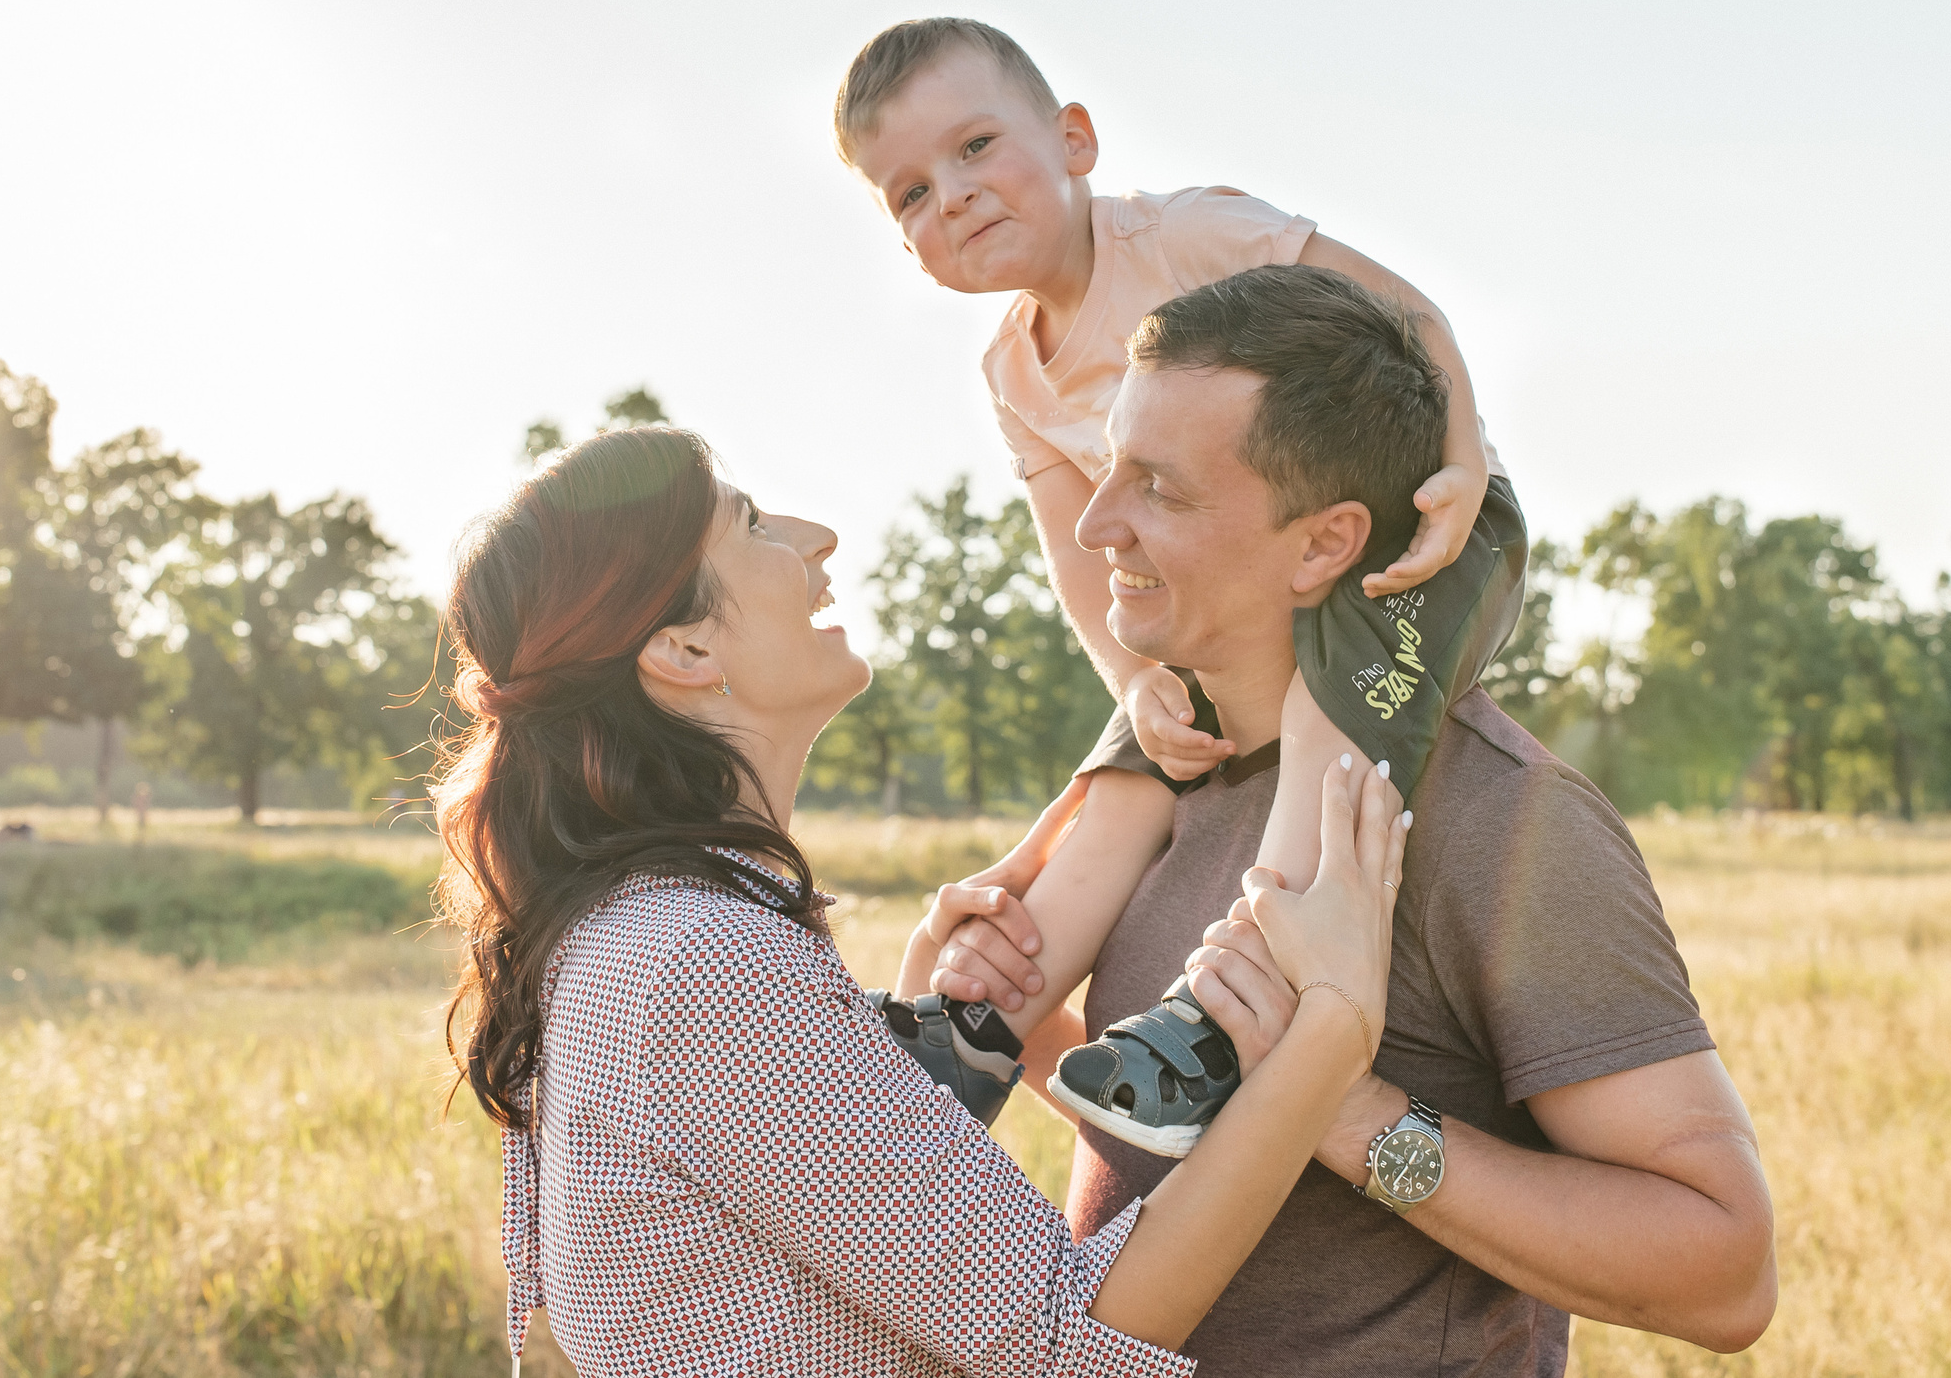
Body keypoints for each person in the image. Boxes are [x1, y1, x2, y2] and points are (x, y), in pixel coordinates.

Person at [923, 267, 1779, 1373]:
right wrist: (1035, 1034)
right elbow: (1178, 1143)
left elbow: (1724, 1267)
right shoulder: (1168, 782)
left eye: (1159, 488)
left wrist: (1340, 1106)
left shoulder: (1501, 818)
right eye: (1107, 466)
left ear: (1325, 543)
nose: (1094, 524)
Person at [432, 426, 1411, 1377]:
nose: (817, 537)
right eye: (753, 525)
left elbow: (807, 1255)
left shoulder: (630, 936)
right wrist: (1330, 1031)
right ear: (685, 649)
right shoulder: (702, 964)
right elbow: (1063, 1340)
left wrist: (900, 1043)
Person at [836, 17, 1526, 1152]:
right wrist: (1134, 679)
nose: (949, 196)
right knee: (1131, 769)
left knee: (1330, 707)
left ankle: (1222, 1014)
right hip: (1234, 584)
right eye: (908, 192)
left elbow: (1412, 314)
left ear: (1073, 139)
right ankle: (973, 1029)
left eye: (974, 146)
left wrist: (1457, 466)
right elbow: (1079, 546)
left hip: (1418, 528)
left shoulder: (1187, 237)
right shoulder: (1011, 369)